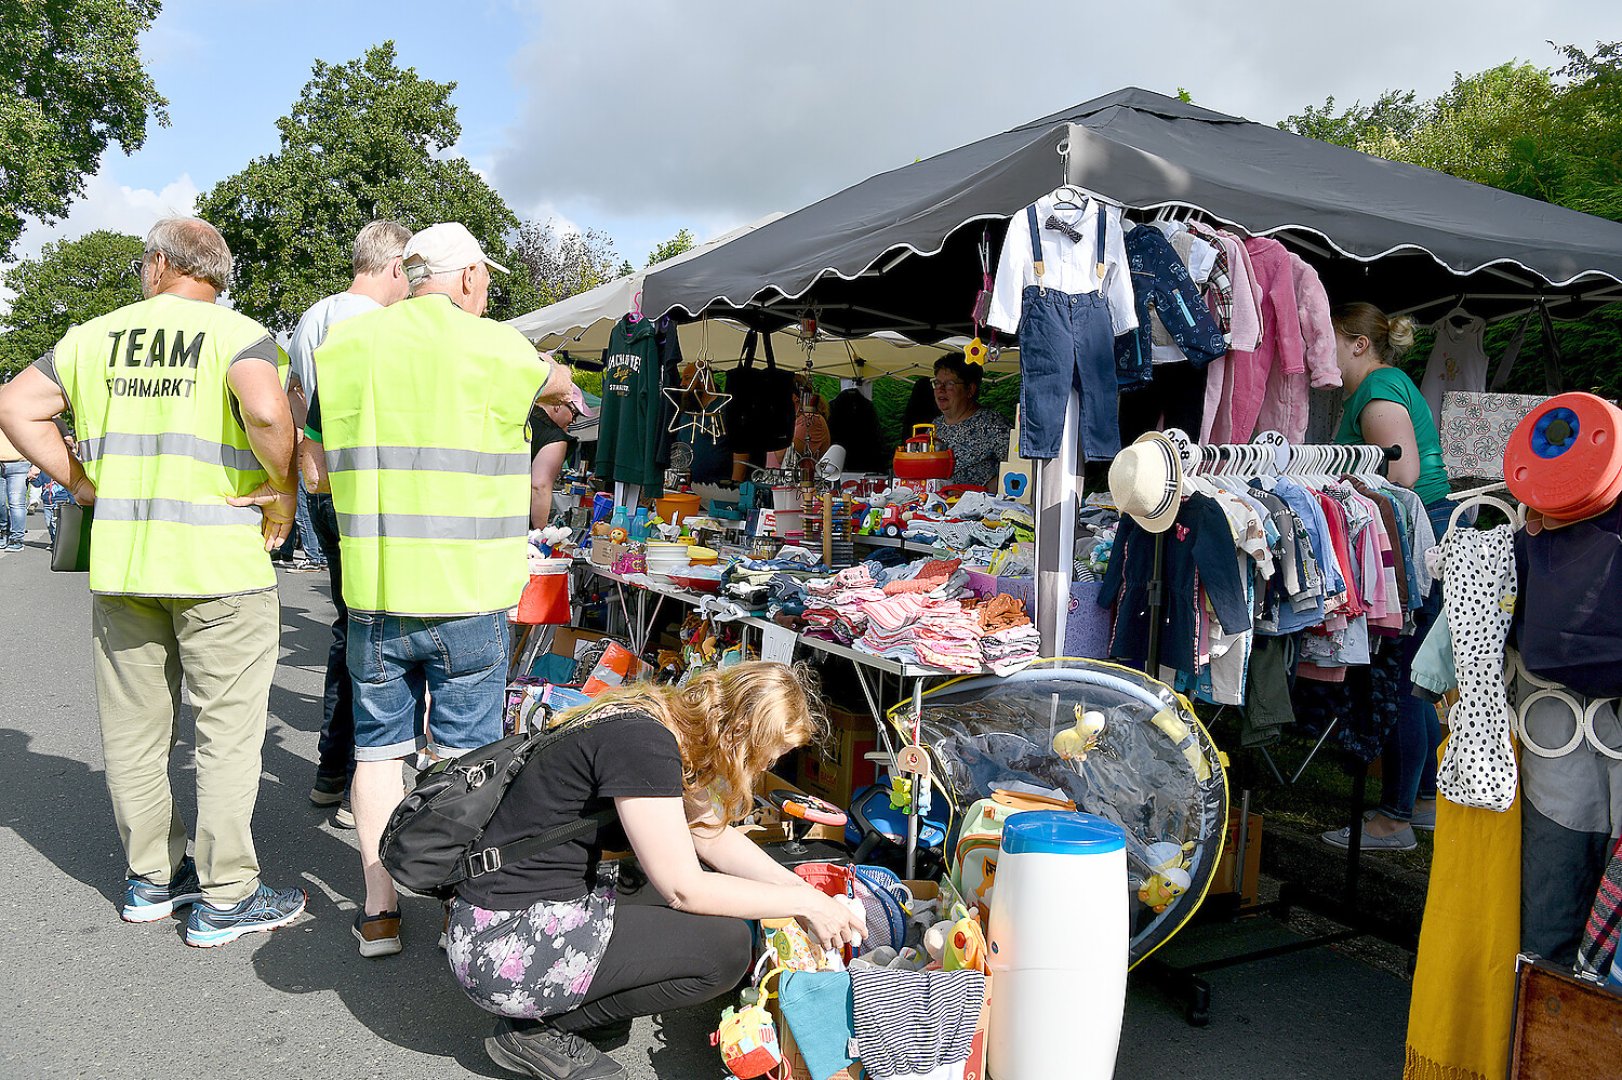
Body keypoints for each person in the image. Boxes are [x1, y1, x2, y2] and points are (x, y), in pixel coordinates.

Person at [0, 217, 307, 945]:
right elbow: (265, 407)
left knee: (135, 732)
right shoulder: (242, 335)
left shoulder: (91, 337)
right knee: (225, 733)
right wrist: (281, 485)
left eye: (146, 262)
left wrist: (78, 481)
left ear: (163, 265)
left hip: (126, 561)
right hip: (219, 565)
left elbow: (16, 405)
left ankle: (151, 879)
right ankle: (228, 894)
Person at [301, 221, 574, 958]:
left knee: (378, 753)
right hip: (468, 594)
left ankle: (379, 909)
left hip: (377, 590)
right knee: (466, 761)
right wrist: (564, 383)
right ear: (467, 278)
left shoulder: (346, 349)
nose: (487, 291)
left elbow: (315, 460)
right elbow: (559, 388)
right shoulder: (498, 348)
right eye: (485, 279)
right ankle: (460, 905)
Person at [449, 661, 866, 1080]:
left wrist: (803, 891)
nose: (767, 766)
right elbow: (684, 889)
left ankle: (576, 1000)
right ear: (741, 735)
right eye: (768, 755)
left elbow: (710, 836)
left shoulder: (657, 717)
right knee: (727, 948)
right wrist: (803, 901)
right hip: (501, 944)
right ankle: (538, 1031)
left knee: (717, 899)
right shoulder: (644, 746)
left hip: (511, 905)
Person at [286, 220, 414, 823]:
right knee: (380, 631)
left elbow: (294, 401)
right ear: (394, 268)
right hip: (370, 491)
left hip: (325, 488)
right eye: (408, 276)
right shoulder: (380, 325)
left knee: (350, 626)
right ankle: (369, 773)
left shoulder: (313, 316)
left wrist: (306, 480)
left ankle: (333, 771)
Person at [1323, 302, 1453, 853]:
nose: (1315, 349)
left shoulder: (1377, 392)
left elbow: (1401, 477)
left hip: (1413, 536)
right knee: (1416, 673)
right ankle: (1421, 801)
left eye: (1325, 338)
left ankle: (1395, 817)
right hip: (1429, 531)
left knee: (1403, 677)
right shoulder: (1375, 388)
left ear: (1357, 343)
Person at [928, 354, 1011, 490]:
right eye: (937, 383)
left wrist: (984, 492)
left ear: (970, 390)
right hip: (936, 506)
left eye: (949, 384)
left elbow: (1015, 466)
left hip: (978, 509)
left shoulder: (993, 424)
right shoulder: (934, 426)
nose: (940, 389)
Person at [530, 386, 583, 528]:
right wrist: (540, 535)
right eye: (574, 413)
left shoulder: (516, 415)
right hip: (514, 521)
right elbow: (539, 486)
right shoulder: (555, 438)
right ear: (558, 405)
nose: (573, 421)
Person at [29, 432, 76, 543]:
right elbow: (38, 483)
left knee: (56, 523)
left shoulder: (65, 470)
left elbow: (70, 487)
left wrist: (73, 501)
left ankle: (58, 544)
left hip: (60, 501)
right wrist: (32, 479)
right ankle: (54, 541)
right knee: (49, 523)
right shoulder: (45, 470)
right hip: (47, 503)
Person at [0, 422, 28, 551]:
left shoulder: (19, 417)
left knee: (16, 503)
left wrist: (36, 466)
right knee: (0, 504)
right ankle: (3, 532)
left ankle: (17, 538)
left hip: (19, 465)